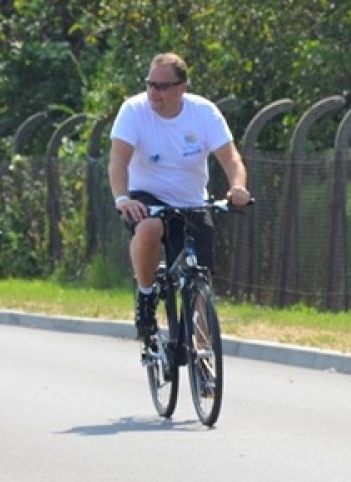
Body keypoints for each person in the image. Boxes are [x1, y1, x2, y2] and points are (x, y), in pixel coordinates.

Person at [107, 53, 251, 341]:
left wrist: (238, 187)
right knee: (148, 228)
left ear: (181, 87)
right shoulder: (134, 111)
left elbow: (231, 158)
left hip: (191, 202)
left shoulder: (203, 113)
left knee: (200, 278)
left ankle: (204, 365)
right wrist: (123, 198)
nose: (154, 93)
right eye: (150, 84)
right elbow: (118, 160)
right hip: (146, 196)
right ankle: (146, 298)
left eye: (162, 86)